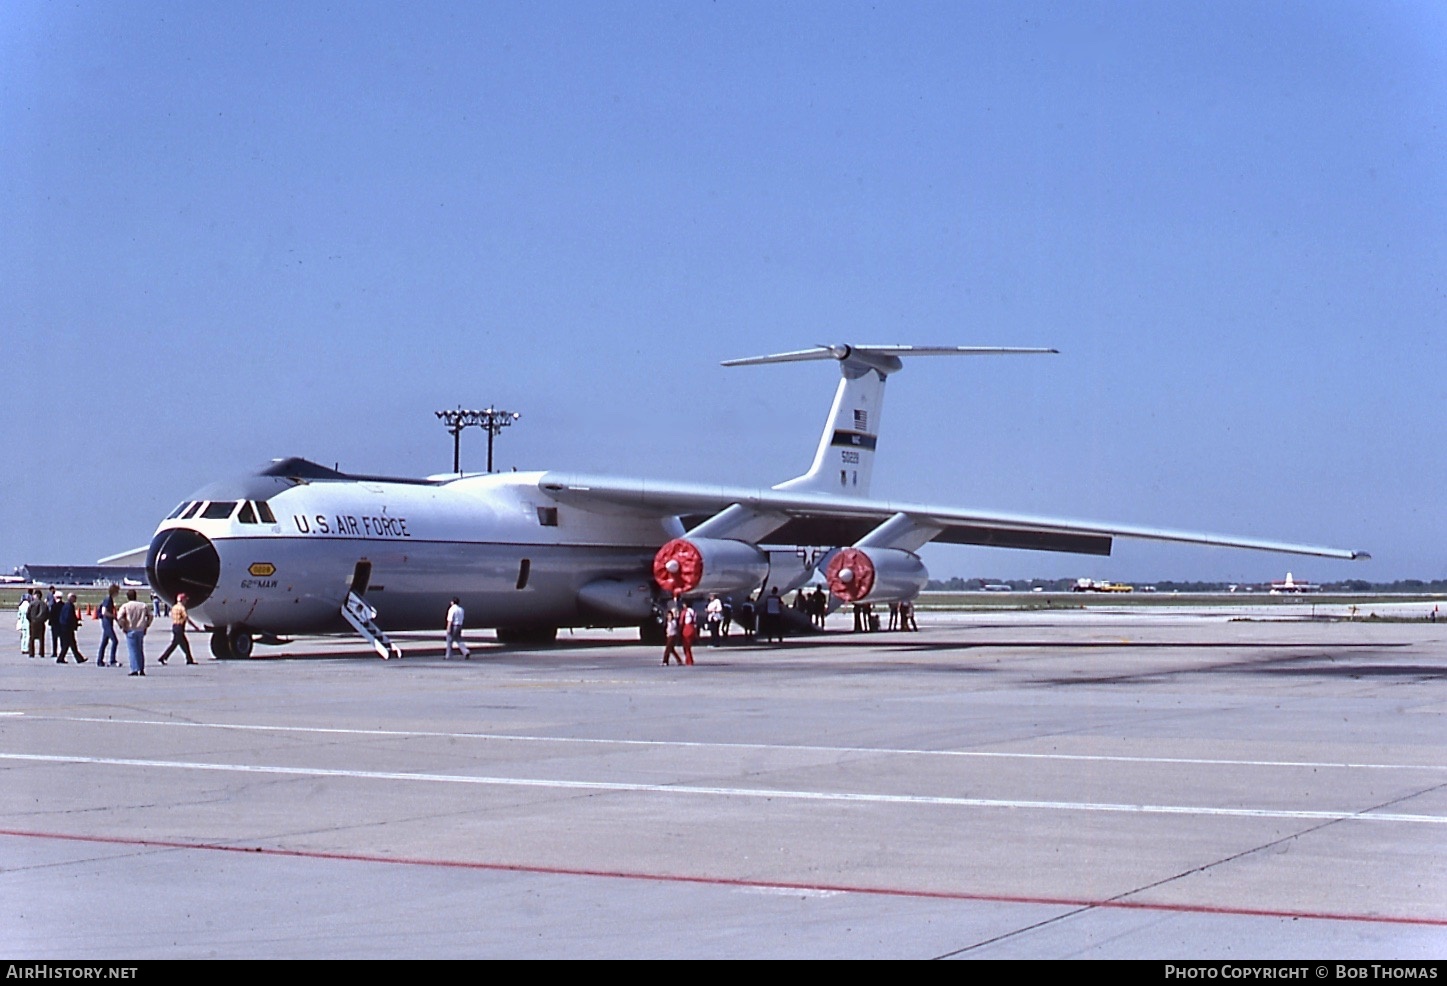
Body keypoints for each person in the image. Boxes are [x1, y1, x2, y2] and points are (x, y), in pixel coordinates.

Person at [117, 588, 152, 675]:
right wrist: (147, 624)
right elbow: (150, 616)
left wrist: (123, 626)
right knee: (140, 649)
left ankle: (134, 669)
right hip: (140, 629)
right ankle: (141, 668)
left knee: (132, 650)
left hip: (130, 629)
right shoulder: (143, 605)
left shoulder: (125, 606)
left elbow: (119, 617)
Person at [157, 593, 198, 665]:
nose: (186, 601)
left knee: (181, 644)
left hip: (175, 626)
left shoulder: (174, 607)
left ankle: (189, 659)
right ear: (182, 600)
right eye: (185, 600)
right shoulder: (182, 608)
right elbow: (186, 618)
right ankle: (163, 657)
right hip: (180, 627)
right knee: (179, 644)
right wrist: (195, 627)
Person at [54, 593, 88, 664]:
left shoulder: (67, 605)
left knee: (71, 645)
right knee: (69, 644)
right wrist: (74, 624)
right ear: (71, 598)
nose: (76, 599)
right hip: (67, 628)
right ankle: (61, 658)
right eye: (75, 598)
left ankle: (78, 659)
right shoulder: (69, 606)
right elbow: (69, 617)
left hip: (65, 628)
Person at [96, 584, 121, 667]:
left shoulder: (110, 599)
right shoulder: (108, 600)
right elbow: (104, 612)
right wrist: (113, 616)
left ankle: (100, 660)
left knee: (104, 642)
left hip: (107, 622)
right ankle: (112, 660)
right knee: (115, 641)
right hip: (106, 622)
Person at [26, 590, 48, 658]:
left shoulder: (32, 603)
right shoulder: (44, 604)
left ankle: (31, 653)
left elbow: (27, 614)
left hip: (33, 622)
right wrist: (43, 620)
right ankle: (41, 653)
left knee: (31, 639)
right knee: (41, 639)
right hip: (41, 623)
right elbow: (47, 614)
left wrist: (31, 620)